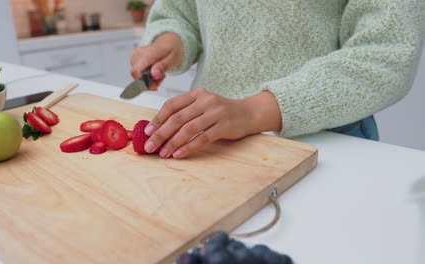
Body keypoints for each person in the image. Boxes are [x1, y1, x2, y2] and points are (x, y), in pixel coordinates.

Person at [130, 0, 423, 159]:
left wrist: (252, 111)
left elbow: (387, 50)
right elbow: (179, 13)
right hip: (206, 142)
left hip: (323, 145)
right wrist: (170, 42)